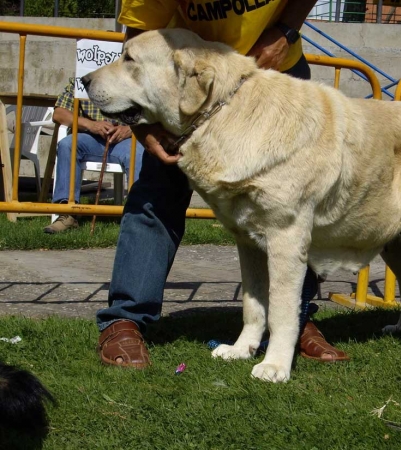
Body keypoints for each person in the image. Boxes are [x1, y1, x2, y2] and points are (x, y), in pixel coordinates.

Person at [96, 0, 349, 368]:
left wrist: (286, 31)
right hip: (185, 80)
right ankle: (125, 320)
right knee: (159, 192)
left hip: (272, 63)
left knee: (295, 202)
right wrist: (144, 126)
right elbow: (138, 43)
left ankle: (294, 319)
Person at [44, 78, 144, 234]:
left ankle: (139, 216)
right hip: (90, 137)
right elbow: (59, 113)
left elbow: (153, 114)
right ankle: (67, 213)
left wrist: (130, 129)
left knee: (139, 153)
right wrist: (91, 125)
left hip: (124, 139)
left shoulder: (134, 78)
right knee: (67, 145)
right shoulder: (81, 78)